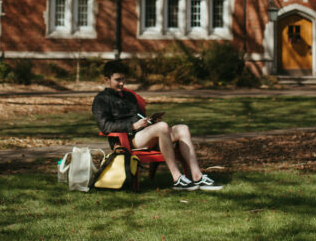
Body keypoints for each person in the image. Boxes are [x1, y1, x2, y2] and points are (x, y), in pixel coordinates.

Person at [91, 60, 222, 191]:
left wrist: (150, 121)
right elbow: (105, 126)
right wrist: (132, 126)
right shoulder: (101, 99)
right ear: (107, 80)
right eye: (117, 80)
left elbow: (139, 117)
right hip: (127, 139)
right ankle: (177, 178)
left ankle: (197, 176)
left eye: (123, 79)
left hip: (144, 134)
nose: (122, 83)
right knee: (163, 127)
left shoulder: (129, 96)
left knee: (183, 128)